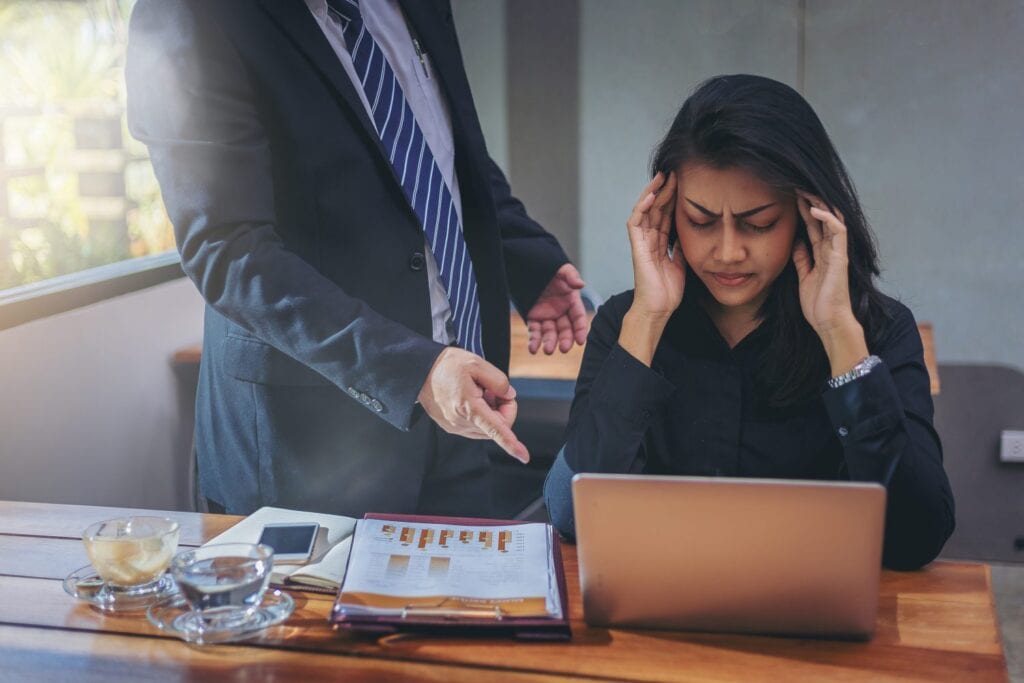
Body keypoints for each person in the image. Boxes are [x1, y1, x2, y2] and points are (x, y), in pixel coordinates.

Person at [125, 0, 588, 516]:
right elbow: (228, 252)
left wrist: (526, 259)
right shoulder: (192, 14)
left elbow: (438, 146)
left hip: (460, 407)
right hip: (306, 448)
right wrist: (414, 371)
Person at [544, 74, 954, 570]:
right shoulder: (626, 325)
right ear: (668, 212)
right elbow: (570, 515)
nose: (728, 252)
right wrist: (647, 321)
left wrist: (839, 335)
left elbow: (916, 538)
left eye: (758, 224)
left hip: (816, 630)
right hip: (659, 624)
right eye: (700, 221)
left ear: (811, 214)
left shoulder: (877, 331)